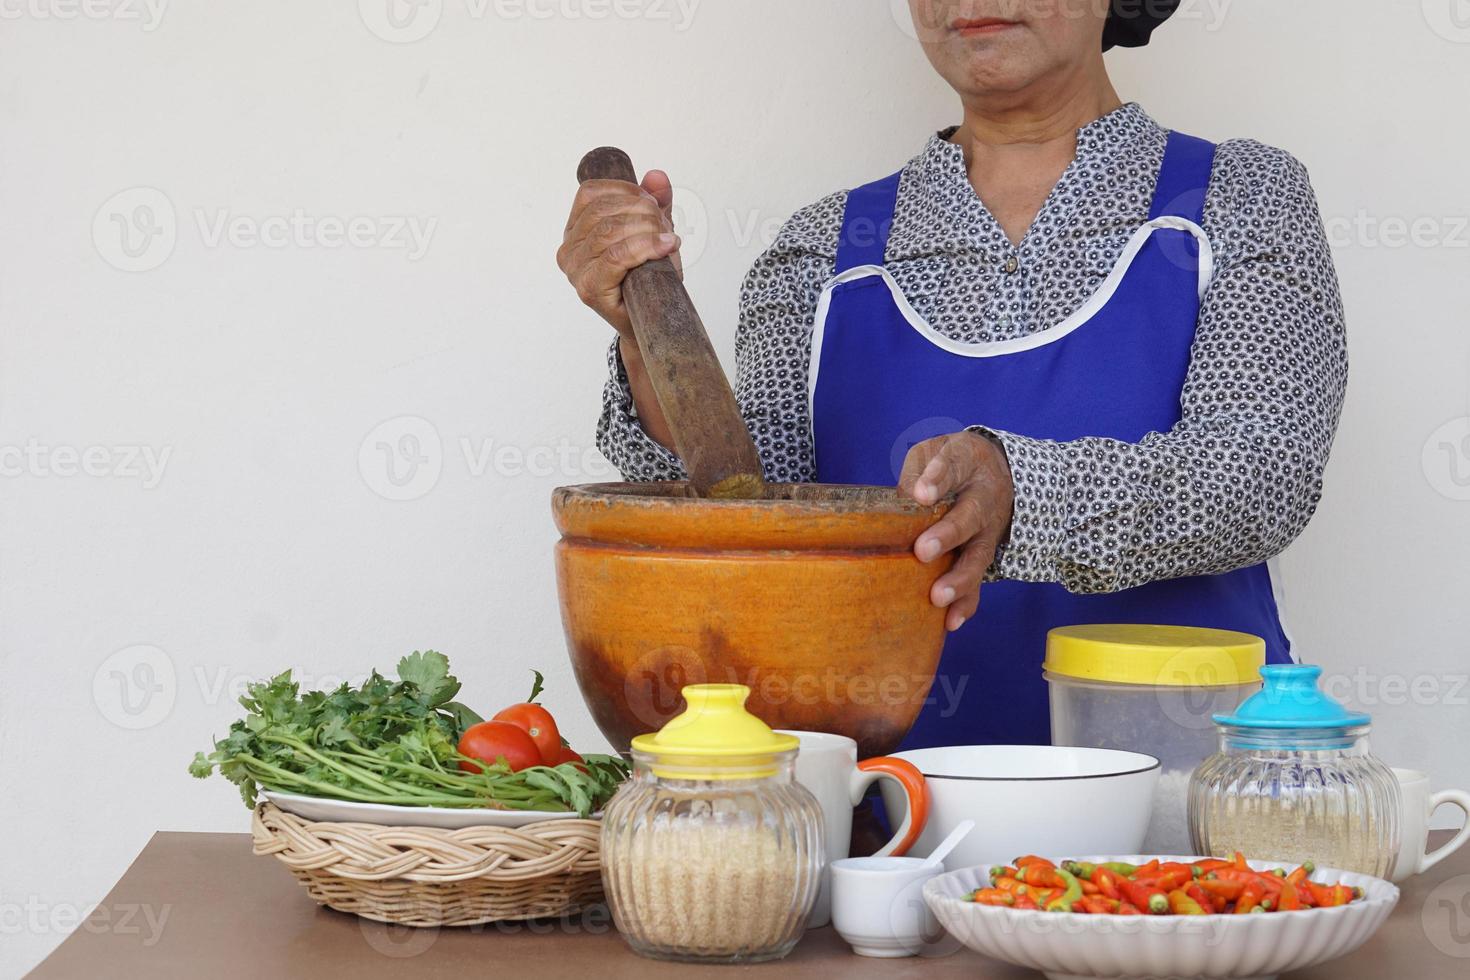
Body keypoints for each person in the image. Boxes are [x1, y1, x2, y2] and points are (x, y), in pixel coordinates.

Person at [556, 0, 1346, 748]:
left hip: (1181, 808)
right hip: (888, 818)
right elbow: (750, 517)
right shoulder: (822, 251)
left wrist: (1017, 491)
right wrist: (641, 335)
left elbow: (1259, 473)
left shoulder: (1239, 199)